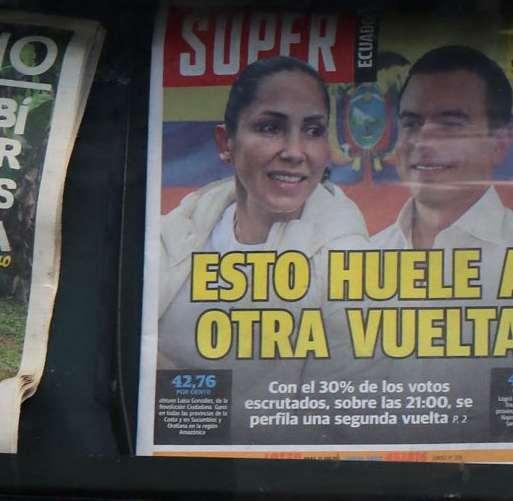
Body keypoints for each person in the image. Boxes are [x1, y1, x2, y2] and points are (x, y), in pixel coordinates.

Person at [367, 46, 513, 427]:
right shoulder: (360, 261)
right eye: (411, 123)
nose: (423, 141)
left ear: (500, 142)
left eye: (451, 123)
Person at [153, 58, 368, 372]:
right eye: (271, 127)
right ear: (226, 143)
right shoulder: (175, 231)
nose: (295, 152)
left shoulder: (347, 262)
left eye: (313, 130)